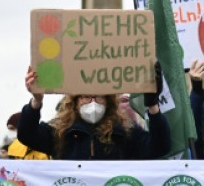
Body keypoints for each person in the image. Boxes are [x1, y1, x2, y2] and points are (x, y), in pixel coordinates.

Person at [18, 64, 171, 160]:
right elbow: (26, 135)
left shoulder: (124, 133)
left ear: (108, 101)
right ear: (75, 102)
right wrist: (36, 101)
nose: (93, 103)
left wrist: (152, 105)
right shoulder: (61, 134)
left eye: (99, 97)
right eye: (86, 97)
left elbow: (160, 147)